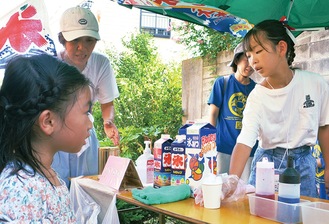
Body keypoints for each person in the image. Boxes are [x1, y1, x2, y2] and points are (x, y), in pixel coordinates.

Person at [229, 19, 329, 198]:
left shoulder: (316, 83)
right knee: (263, 216)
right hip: (267, 164)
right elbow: (245, 140)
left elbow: (324, 127)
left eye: (258, 51)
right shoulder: (257, 96)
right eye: (249, 55)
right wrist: (232, 180)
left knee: (300, 216)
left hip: (305, 165)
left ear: (281, 48)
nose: (253, 61)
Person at [0, 54, 92, 222]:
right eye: (86, 112)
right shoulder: (22, 190)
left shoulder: (46, 176)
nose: (90, 124)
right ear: (48, 121)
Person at [52, 6, 120, 187]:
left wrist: (108, 121)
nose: (82, 48)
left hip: (84, 133)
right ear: (63, 39)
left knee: (86, 187)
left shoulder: (101, 63)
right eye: (75, 40)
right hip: (55, 134)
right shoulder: (51, 62)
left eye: (89, 40)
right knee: (58, 185)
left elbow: (107, 102)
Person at [208, 42, 257, 183]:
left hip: (248, 151)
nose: (249, 64)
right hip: (224, 148)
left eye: (252, 59)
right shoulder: (222, 83)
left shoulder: (256, 89)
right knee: (221, 189)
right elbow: (213, 114)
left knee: (243, 194)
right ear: (236, 60)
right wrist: (211, 143)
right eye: (246, 59)